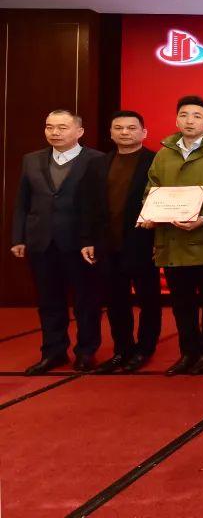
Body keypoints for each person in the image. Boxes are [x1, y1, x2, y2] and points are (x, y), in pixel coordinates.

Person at [141, 96, 203, 376]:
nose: (189, 121)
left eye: (196, 116)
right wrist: (152, 212)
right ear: (176, 120)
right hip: (171, 239)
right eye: (184, 115)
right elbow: (151, 189)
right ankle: (187, 352)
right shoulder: (163, 153)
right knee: (181, 302)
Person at [11, 110, 105, 375]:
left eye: (62, 127)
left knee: (86, 301)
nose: (55, 132)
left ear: (79, 131)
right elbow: (22, 202)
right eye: (49, 127)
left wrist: (95, 239)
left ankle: (86, 352)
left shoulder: (96, 160)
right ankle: (53, 352)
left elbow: (101, 206)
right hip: (41, 241)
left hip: (80, 243)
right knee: (49, 301)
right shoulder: (31, 159)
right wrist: (18, 237)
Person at [79, 110, 161, 374]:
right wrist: (87, 239)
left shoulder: (156, 162)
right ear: (111, 133)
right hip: (108, 244)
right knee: (115, 302)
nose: (125, 132)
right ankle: (122, 350)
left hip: (143, 242)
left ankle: (144, 349)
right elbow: (89, 205)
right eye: (119, 128)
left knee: (149, 300)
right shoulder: (98, 164)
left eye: (131, 128)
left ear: (144, 132)